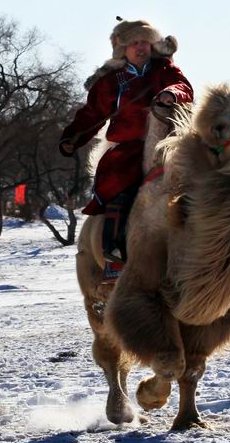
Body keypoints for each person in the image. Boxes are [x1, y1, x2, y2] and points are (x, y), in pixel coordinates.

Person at [59, 18, 193, 278]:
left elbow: (183, 87)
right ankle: (115, 256)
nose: (140, 47)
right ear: (123, 48)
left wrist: (171, 94)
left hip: (166, 145)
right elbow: (91, 114)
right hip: (128, 152)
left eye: (144, 41)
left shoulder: (163, 69)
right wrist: (72, 137)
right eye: (134, 43)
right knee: (121, 189)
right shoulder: (112, 81)